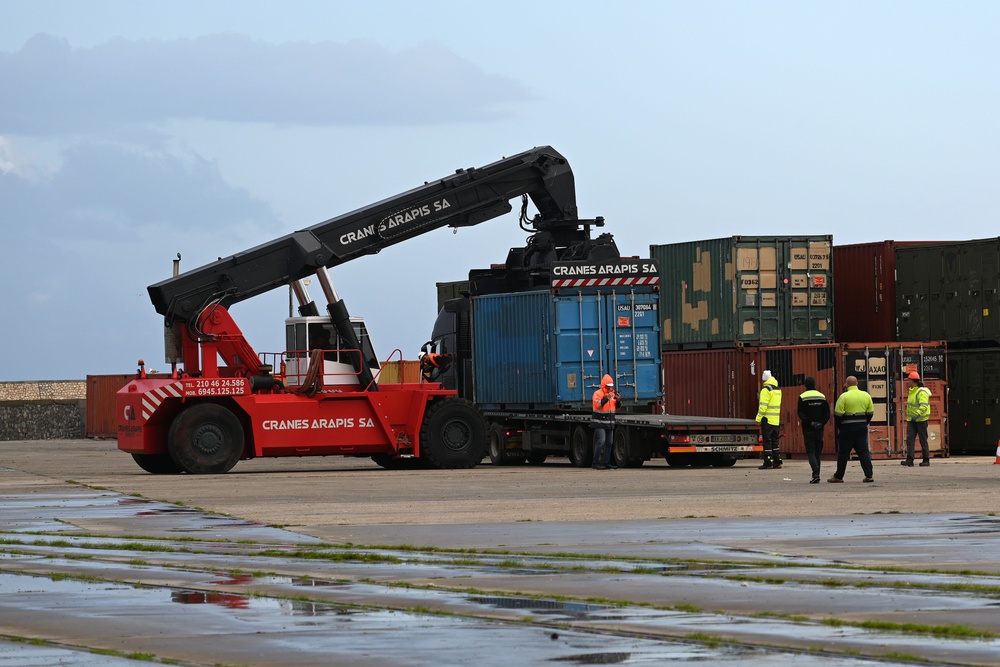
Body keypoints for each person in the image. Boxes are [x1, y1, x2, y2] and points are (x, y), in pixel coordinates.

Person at [829, 376, 875, 483]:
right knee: (863, 452)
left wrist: (841, 427)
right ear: (857, 383)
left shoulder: (843, 397)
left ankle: (839, 476)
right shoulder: (866, 396)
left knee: (843, 454)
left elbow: (837, 415)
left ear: (846, 385)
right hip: (861, 428)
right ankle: (869, 475)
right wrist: (864, 423)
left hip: (847, 429)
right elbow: (870, 413)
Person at [797, 376, 831, 484]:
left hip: (808, 429)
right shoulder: (822, 396)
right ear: (815, 384)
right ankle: (817, 474)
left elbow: (800, 413)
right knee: (817, 453)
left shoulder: (802, 397)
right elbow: (827, 413)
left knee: (811, 452)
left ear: (805, 385)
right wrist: (820, 423)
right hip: (820, 429)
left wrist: (810, 423)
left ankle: (815, 474)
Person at [902, 371, 932, 467]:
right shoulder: (913, 391)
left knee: (923, 440)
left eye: (908, 380)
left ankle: (926, 460)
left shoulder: (921, 392)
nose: (907, 382)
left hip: (920, 420)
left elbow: (923, 406)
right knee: (910, 440)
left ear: (912, 380)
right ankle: (909, 460)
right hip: (912, 420)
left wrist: (917, 415)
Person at [591, 374, 620, 470]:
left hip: (610, 422)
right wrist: (606, 398)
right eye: (608, 386)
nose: (610, 388)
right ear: (604, 385)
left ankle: (607, 462)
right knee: (601, 441)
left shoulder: (612, 394)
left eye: (611, 386)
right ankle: (595, 462)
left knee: (609, 442)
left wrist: (618, 400)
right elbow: (598, 404)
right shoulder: (597, 394)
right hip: (599, 421)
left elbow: (617, 407)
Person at [755, 370, 783, 469]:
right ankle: (777, 461)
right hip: (776, 419)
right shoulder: (778, 390)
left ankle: (768, 462)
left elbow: (763, 406)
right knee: (775, 441)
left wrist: (758, 418)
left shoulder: (766, 390)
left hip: (767, 419)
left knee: (767, 441)